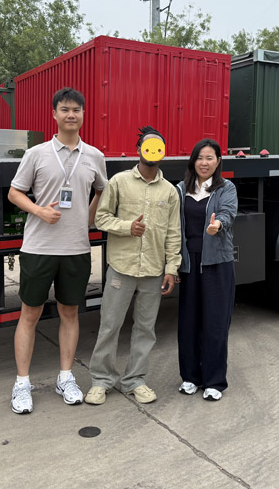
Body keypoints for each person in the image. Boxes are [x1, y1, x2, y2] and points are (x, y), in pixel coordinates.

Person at [7, 87, 107, 414]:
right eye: (65, 109)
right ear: (54, 115)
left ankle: (66, 377)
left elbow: (102, 191)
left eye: (76, 110)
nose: (71, 115)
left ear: (82, 115)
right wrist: (38, 211)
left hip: (76, 248)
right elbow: (14, 193)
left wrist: (87, 218)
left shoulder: (94, 156)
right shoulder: (36, 154)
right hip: (39, 248)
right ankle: (22, 383)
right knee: (30, 314)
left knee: (70, 313)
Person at [84, 126, 181, 405]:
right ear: (139, 149)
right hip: (122, 269)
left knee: (145, 329)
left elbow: (174, 233)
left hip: (153, 271)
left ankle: (135, 380)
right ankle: (101, 381)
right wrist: (128, 227)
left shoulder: (170, 192)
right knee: (110, 325)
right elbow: (100, 219)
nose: (152, 151)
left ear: (163, 152)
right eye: (148, 146)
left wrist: (172, 268)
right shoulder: (119, 182)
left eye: (158, 147)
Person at [175, 139, 238, 401]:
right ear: (193, 160)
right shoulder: (180, 189)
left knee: (215, 323)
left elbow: (228, 213)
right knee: (188, 322)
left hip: (216, 263)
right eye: (200, 157)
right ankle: (190, 377)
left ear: (218, 161)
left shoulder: (226, 188)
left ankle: (214, 381)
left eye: (210, 158)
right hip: (189, 263)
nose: (204, 162)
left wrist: (218, 225)